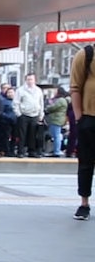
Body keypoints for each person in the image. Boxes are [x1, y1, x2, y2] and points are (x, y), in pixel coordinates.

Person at [70, 45, 95, 220]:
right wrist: (80, 117)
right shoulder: (86, 54)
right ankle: (84, 203)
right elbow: (75, 87)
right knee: (86, 162)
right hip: (89, 117)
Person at [13, 73, 44, 158]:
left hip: (35, 115)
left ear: (35, 80)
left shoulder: (38, 90)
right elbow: (16, 103)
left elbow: (41, 103)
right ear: (25, 80)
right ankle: (20, 151)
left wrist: (41, 114)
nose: (30, 81)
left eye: (32, 79)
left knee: (33, 134)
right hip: (23, 115)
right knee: (22, 134)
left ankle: (32, 151)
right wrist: (19, 114)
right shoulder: (20, 90)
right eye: (28, 79)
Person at [45, 87, 69, 158]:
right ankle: (56, 150)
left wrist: (47, 108)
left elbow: (53, 107)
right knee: (57, 135)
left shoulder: (60, 100)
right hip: (59, 119)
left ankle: (56, 150)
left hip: (56, 119)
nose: (55, 92)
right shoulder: (63, 100)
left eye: (56, 91)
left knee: (56, 136)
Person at [0, 86, 17, 157]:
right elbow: (0, 112)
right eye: (9, 92)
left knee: (14, 137)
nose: (10, 94)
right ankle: (6, 151)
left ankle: (12, 150)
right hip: (5, 122)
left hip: (15, 122)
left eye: (12, 92)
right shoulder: (3, 102)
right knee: (6, 137)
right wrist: (8, 117)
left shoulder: (17, 101)